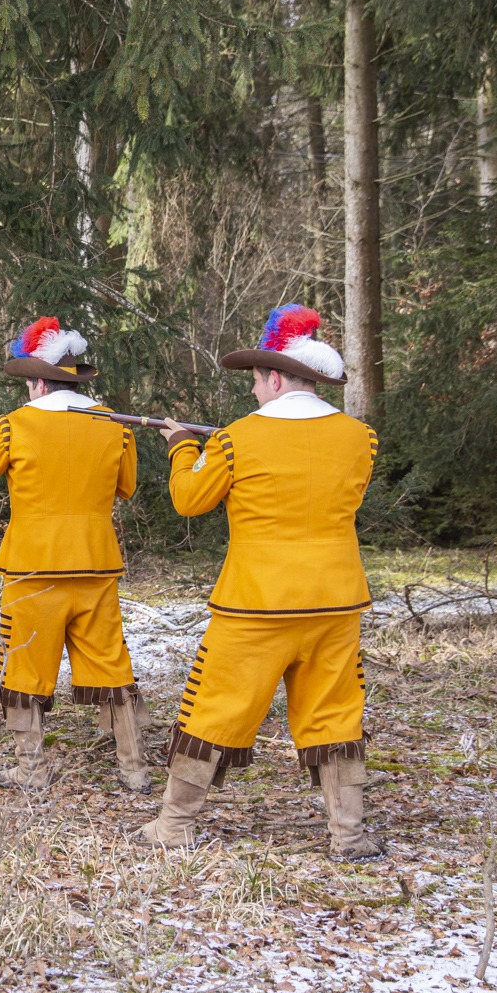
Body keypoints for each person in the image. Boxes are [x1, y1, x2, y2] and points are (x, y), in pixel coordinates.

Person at [140, 304, 383, 860]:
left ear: (275, 377)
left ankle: (174, 825)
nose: (252, 391)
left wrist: (182, 448)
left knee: (214, 709)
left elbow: (189, 500)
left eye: (254, 380)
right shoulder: (360, 439)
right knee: (335, 714)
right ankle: (348, 835)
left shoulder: (234, 440)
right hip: (335, 601)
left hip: (255, 604)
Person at [0, 316, 149, 793]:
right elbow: (127, 487)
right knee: (111, 664)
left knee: (25, 667)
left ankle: (30, 769)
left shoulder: (14, 425)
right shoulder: (116, 427)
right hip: (96, 563)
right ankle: (134, 768)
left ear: (38, 382)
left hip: (32, 568)